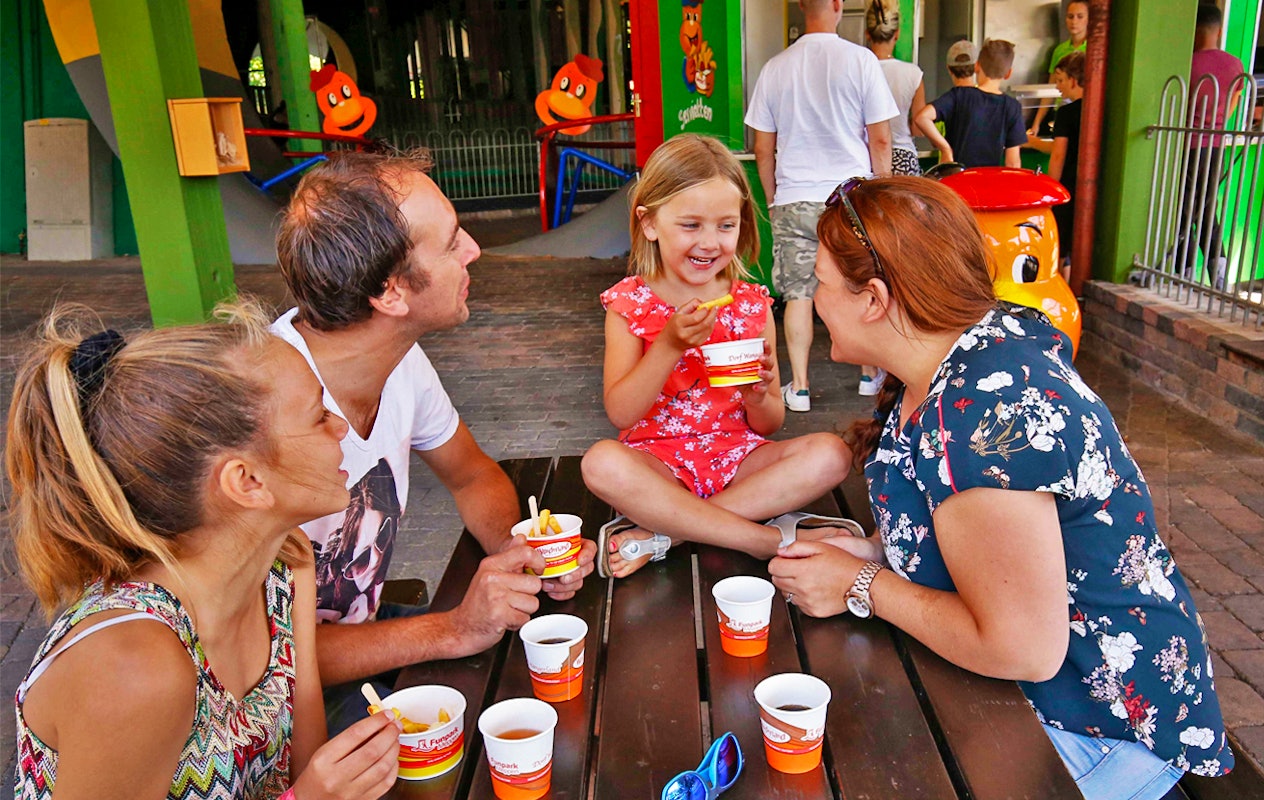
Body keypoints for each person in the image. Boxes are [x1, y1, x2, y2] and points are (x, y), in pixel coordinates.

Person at [769, 177, 1234, 798]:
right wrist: (881, 549)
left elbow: (1024, 649)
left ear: (874, 298)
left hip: (1100, 729)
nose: (813, 299)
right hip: (1054, 696)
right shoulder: (971, 345)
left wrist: (860, 585)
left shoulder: (985, 418)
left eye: (823, 283)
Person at [9, 302, 402, 800]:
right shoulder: (133, 667)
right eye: (317, 415)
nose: (340, 427)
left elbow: (303, 769)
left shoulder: (287, 563)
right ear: (247, 481)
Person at [272, 149, 597, 731]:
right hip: (275, 712)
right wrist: (453, 629)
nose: (473, 249)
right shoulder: (272, 415)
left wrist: (526, 556)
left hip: (360, 636)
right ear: (391, 293)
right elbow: (264, 662)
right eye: (451, 243)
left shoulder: (399, 360)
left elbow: (471, 474)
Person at [581, 134, 853, 580]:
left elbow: (769, 425)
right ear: (649, 223)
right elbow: (621, 411)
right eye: (691, 225)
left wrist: (759, 394)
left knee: (832, 454)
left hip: (739, 462)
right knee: (601, 463)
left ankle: (670, 534)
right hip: (657, 468)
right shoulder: (630, 303)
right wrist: (668, 345)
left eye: (726, 226)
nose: (710, 242)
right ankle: (765, 540)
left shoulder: (750, 303)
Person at [745, 0, 898, 407]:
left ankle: (799, 388)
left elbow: (763, 148)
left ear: (799, 6)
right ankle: (870, 376)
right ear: (837, 5)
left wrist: (774, 196)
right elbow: (880, 138)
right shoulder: (862, 61)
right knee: (860, 283)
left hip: (794, 197)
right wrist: (878, 194)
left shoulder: (775, 67)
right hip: (849, 198)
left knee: (798, 294)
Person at [1174, 3, 1246, 289]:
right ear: (1218, 30)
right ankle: (1219, 275)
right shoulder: (1234, 65)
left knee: (1182, 209)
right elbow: (1232, 106)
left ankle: (1186, 272)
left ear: (1195, 29)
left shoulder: (1185, 62)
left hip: (1186, 145)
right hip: (1215, 146)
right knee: (1206, 209)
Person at [914, 39, 1026, 169]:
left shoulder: (959, 95)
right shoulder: (1012, 107)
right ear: (1008, 73)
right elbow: (1012, 163)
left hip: (957, 180)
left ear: (977, 66)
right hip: (987, 183)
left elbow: (921, 117)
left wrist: (945, 149)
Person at [866, 0, 926, 177]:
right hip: (904, 157)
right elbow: (918, 128)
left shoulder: (858, 71)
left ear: (867, 34)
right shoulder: (913, 74)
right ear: (897, 34)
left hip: (868, 157)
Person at [1048, 50, 1085, 282]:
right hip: (1089, 187)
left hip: (1068, 186)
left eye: (1061, 81)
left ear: (1073, 80)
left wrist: (1051, 190)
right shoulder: (1099, 109)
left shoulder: (1066, 113)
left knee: (1062, 244)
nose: (1059, 87)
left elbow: (1058, 155)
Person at [1028, 0, 1089, 140]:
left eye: (1080, 16)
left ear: (1089, 19)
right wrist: (1036, 123)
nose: (1074, 21)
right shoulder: (1060, 50)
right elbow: (1050, 88)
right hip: (1060, 110)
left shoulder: (1093, 50)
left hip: (1082, 111)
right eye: (1070, 16)